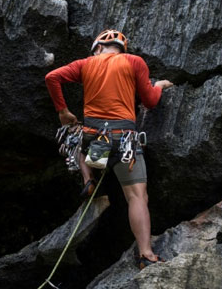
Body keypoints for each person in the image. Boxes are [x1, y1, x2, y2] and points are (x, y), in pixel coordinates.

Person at [45, 29, 173, 269]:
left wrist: (63, 112)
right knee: (137, 197)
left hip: (96, 143)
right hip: (124, 141)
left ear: (98, 47)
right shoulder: (134, 62)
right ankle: (146, 254)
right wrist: (159, 85)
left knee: (74, 133)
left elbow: (52, 77)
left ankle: (89, 178)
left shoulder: (85, 64)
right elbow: (150, 101)